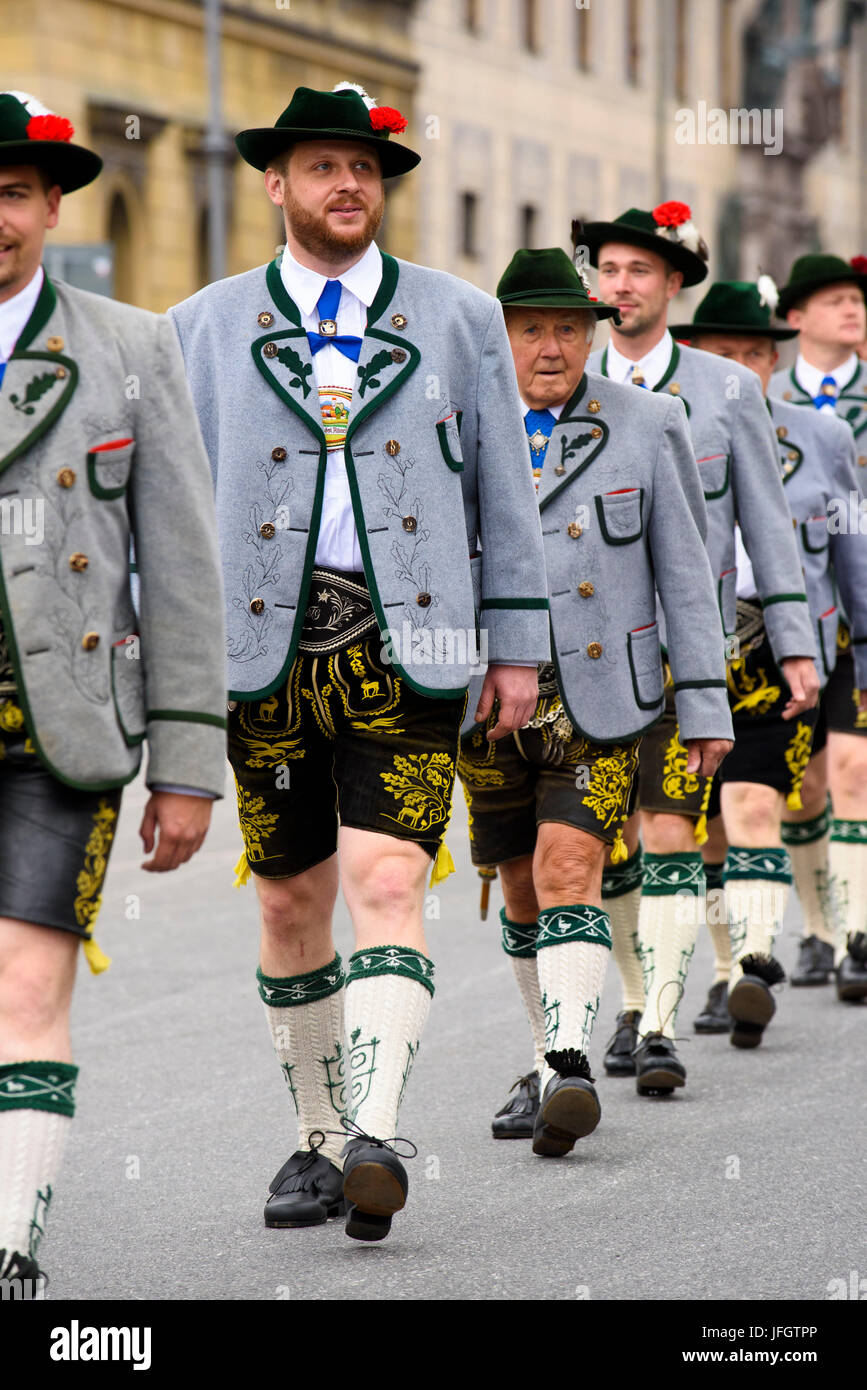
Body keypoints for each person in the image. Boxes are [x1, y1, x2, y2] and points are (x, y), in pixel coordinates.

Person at [169, 83, 549, 1241]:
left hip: (412, 648)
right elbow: (174, 514)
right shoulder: (203, 324)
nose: (349, 184)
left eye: (366, 168)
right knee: (290, 901)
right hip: (260, 654)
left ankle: (377, 1129)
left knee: (390, 883)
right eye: (323, 166)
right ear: (275, 184)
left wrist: (519, 643)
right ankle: (318, 1140)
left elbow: (503, 486)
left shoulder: (454, 316)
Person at [0, 91, 227, 1294]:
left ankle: (11, 1246)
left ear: (48, 207)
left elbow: (184, 562)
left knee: (27, 982)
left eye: (12, 194)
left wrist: (188, 761)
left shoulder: (132, 348)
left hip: (67, 729)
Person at [458, 248, 731, 1147]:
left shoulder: (649, 419)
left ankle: (568, 1066)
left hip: (605, 698)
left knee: (567, 867)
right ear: (499, 338)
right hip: (484, 699)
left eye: (569, 329)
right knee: (518, 886)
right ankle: (546, 1054)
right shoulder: (457, 424)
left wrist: (702, 706)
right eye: (531, 328)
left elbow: (687, 578)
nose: (551, 346)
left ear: (591, 336)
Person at [581, 204, 818, 1087]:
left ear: (673, 283)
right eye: (608, 269)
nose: (622, 285)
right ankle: (634, 990)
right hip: (585, 653)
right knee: (603, 846)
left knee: (671, 827)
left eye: (640, 270)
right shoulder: (560, 374)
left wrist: (793, 642)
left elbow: (767, 523)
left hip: (691, 646)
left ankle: (657, 1021)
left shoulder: (726, 389)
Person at [671, 277, 867, 1042]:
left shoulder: (817, 434)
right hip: (696, 645)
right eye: (725, 354)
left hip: (804, 643)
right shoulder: (664, 427)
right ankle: (728, 976)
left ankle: (839, 938)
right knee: (710, 825)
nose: (743, 368)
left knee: (787, 794)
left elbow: (850, 546)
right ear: (695, 356)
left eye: (756, 353)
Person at [770, 253, 867, 1001]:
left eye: (857, 299)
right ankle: (816, 927)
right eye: (835, 300)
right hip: (797, 608)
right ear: (795, 317)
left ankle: (856, 934)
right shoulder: (762, 399)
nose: (853, 310)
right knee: (802, 785)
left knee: (853, 771)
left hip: (856, 609)